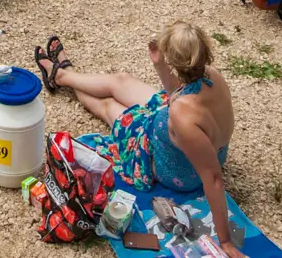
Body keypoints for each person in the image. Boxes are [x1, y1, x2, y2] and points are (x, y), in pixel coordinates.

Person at [34, 23, 241, 257]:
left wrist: (226, 242)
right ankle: (62, 74)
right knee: (121, 80)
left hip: (180, 169)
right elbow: (177, 97)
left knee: (107, 106)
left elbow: (213, 179)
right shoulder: (211, 76)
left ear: (175, 64)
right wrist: (159, 65)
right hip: (183, 134)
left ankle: (62, 74)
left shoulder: (183, 115)